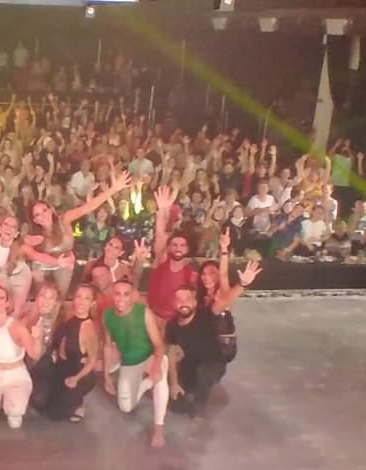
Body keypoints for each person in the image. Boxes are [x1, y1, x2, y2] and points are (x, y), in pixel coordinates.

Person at [167, 259, 261, 419]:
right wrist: (174, 383)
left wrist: (242, 283)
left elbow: (226, 297)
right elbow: (171, 353)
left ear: (194, 302)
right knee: (176, 403)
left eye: (187, 299)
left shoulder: (208, 312)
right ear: (174, 303)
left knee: (203, 373)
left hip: (216, 358)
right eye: (179, 300)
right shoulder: (172, 325)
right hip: (193, 359)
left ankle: (200, 408)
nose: (183, 303)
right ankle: (192, 387)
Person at [103, 279, 171, 448]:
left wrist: (155, 367)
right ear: (112, 294)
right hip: (130, 362)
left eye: (126, 294)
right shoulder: (107, 316)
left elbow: (159, 345)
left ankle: (158, 427)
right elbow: (106, 345)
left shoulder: (143, 312)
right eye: (117, 293)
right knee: (126, 407)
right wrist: (105, 374)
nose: (121, 298)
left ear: (133, 295)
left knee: (160, 379)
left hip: (151, 356)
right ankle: (145, 384)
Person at [0, 285, 42, 430]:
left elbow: (34, 354)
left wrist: (37, 337)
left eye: (1, 298)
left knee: (15, 411)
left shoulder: (17, 327)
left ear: (7, 303)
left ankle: (13, 409)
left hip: (15, 375)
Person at [35, 284, 101, 422]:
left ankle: (77, 402)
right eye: (78, 297)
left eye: (86, 298)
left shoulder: (89, 329)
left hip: (76, 372)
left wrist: (76, 378)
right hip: (59, 368)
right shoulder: (66, 315)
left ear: (92, 303)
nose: (81, 301)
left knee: (55, 415)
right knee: (39, 401)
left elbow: (92, 361)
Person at [145, 185, 197, 324]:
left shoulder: (190, 274)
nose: (178, 248)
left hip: (177, 323)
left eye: (182, 245)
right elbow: (160, 234)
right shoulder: (161, 263)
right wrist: (162, 210)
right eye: (174, 245)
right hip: (155, 319)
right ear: (168, 248)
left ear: (187, 249)